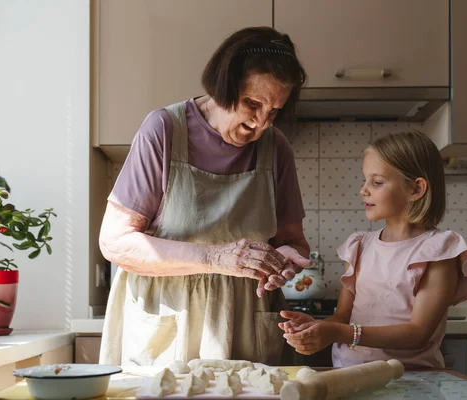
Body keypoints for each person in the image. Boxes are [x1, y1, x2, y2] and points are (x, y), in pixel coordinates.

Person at [98, 26, 311, 367]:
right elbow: (115, 242)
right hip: (166, 323)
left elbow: (293, 242)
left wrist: (284, 260)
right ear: (222, 86)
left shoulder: (277, 149)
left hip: (245, 324)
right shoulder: (164, 130)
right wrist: (216, 258)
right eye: (251, 104)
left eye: (273, 111)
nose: (261, 124)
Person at [279, 131, 467, 368]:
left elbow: (418, 333)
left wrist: (338, 333)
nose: (364, 190)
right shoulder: (359, 246)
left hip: (410, 382)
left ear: (416, 189)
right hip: (348, 374)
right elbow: (342, 317)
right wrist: (315, 327)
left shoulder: (438, 251)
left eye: (377, 182)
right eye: (364, 180)